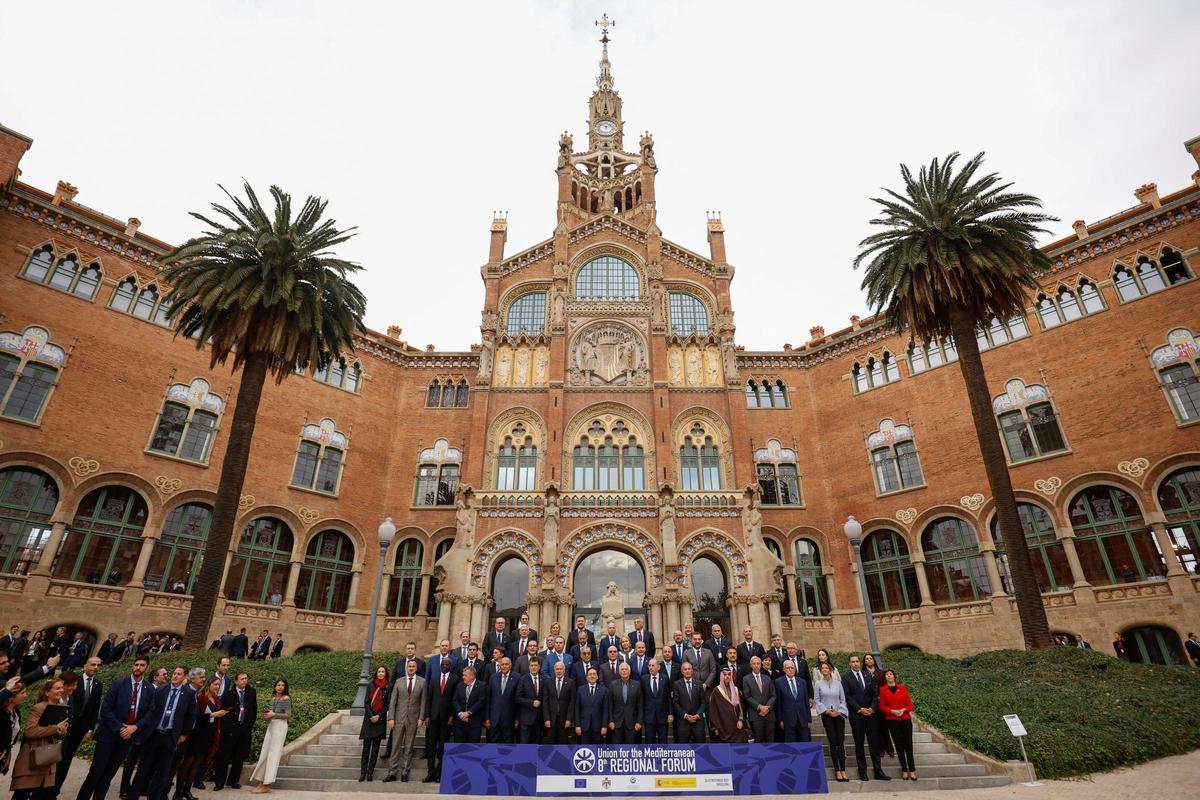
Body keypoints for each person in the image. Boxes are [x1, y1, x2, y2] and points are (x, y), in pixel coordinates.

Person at [76, 656, 155, 800]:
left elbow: (150, 712)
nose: (138, 667)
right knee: (96, 772)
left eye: (142, 665)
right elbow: (106, 709)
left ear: (147, 667)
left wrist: (134, 727)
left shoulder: (149, 689)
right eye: (136, 664)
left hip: (127, 738)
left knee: (109, 774)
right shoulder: (119, 684)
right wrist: (120, 728)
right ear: (132, 666)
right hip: (108, 735)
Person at [133, 666, 196, 800]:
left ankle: (154, 796)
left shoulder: (189, 694)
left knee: (163, 771)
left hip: (171, 735)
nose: (175, 676)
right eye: (174, 673)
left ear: (185, 677)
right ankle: (133, 795)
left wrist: (184, 734)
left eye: (179, 674)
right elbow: (150, 711)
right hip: (154, 734)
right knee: (144, 767)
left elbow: (191, 716)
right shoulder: (161, 690)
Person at [11, 677, 70, 800]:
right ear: (47, 692)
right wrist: (55, 728)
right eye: (57, 688)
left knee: (43, 794)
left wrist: (61, 732)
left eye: (61, 687)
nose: (61, 690)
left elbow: (56, 732)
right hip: (33, 757)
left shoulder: (61, 707)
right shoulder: (39, 707)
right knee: (23, 794)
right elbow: (29, 731)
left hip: (48, 758)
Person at [173, 677, 226, 800]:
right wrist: (214, 714)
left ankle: (187, 790)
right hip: (197, 735)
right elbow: (197, 716)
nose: (217, 687)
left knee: (197, 764)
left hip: (209, 735)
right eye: (215, 684)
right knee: (187, 763)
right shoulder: (201, 697)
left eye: (219, 685)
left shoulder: (217, 700)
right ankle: (178, 792)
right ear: (209, 685)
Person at [57, 657, 103, 794]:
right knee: (56, 757)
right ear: (85, 666)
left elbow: (95, 710)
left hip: (80, 730)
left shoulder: (98, 685)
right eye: (93, 664)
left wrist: (89, 730)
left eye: (98, 665)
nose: (95, 667)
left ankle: (56, 790)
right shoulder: (74, 681)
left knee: (67, 759)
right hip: (65, 726)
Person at [843, 654, 889, 781]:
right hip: (856, 715)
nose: (856, 663)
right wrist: (860, 709)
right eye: (853, 662)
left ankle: (878, 770)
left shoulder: (867, 675)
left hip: (870, 715)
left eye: (857, 661)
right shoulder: (846, 677)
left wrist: (872, 708)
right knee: (859, 744)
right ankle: (862, 771)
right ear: (849, 664)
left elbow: (875, 694)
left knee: (874, 743)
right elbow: (847, 696)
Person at [211, 671, 256, 790]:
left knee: (239, 757)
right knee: (224, 756)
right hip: (230, 730)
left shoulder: (251, 692)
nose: (244, 681)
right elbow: (223, 713)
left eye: (246, 678)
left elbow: (254, 709)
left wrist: (249, 724)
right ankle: (219, 782)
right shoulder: (228, 695)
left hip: (244, 729)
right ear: (236, 681)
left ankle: (233, 780)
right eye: (241, 679)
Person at [382, 661, 423, 783]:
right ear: (407, 668)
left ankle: (405, 771)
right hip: (399, 718)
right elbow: (393, 701)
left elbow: (423, 701)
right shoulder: (399, 681)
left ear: (416, 668)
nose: (411, 668)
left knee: (409, 746)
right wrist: (391, 718)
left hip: (413, 719)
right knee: (395, 746)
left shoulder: (422, 682)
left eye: (413, 666)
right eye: (409, 666)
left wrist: (421, 717)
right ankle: (392, 772)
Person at [249, 679, 290, 793]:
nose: (280, 687)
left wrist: (274, 714)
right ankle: (262, 782)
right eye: (278, 685)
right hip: (272, 726)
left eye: (282, 685)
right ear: (275, 686)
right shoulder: (273, 698)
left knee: (273, 754)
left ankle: (267, 784)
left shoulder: (286, 698)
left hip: (280, 727)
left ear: (285, 687)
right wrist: (268, 716)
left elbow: (288, 715)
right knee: (265, 753)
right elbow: (271, 714)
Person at [422, 658, 459, 783]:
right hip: (433, 717)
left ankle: (440, 773)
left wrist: (452, 716)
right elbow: (429, 699)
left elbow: (455, 700)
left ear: (451, 666)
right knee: (431, 746)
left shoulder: (455, 679)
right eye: (442, 664)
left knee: (442, 747)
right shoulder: (434, 679)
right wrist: (427, 716)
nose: (444, 666)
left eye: (447, 664)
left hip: (446, 719)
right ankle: (430, 772)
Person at [877, 669, 917, 781]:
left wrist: (904, 709)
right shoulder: (882, 690)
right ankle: (904, 770)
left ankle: (912, 770)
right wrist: (892, 711)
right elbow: (881, 707)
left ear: (894, 676)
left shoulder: (902, 688)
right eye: (887, 675)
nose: (889, 676)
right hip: (892, 720)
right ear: (885, 678)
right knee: (899, 746)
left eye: (891, 674)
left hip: (905, 719)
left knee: (908, 746)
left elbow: (911, 706)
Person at [814, 662, 848, 783]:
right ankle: (837, 770)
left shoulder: (838, 684)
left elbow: (843, 699)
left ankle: (843, 769)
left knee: (840, 742)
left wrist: (839, 711)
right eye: (822, 668)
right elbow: (817, 701)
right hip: (827, 716)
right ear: (820, 671)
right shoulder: (818, 684)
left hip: (839, 715)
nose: (824, 670)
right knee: (833, 742)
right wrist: (826, 711)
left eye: (826, 668)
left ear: (830, 669)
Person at [358, 667, 388, 781]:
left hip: (380, 720)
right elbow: (366, 702)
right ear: (376, 673)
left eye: (383, 672)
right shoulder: (370, 685)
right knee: (366, 748)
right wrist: (371, 716)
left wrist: (378, 716)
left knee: (375, 749)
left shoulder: (387, 687)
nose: (381, 673)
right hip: (369, 720)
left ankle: (370, 773)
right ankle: (363, 773)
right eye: (379, 672)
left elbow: (387, 705)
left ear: (385, 674)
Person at [861, 653, 894, 757]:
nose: (869, 660)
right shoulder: (863, 673)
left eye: (870, 658)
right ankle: (880, 749)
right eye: (867, 659)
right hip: (870, 704)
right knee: (875, 728)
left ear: (874, 660)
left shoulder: (881, 673)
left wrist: (881, 697)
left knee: (884, 727)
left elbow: (885, 686)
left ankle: (890, 748)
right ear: (864, 661)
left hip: (881, 703)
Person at [707, 668, 747, 743]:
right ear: (721, 676)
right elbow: (713, 711)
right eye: (725, 674)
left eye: (729, 674)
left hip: (736, 725)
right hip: (722, 726)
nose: (727, 676)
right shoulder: (717, 691)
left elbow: (741, 708)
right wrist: (715, 728)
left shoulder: (735, 689)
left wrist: (740, 720)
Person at [775, 659, 810, 742]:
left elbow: (806, 702)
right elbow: (778, 703)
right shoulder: (779, 682)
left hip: (802, 718)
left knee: (804, 741)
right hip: (788, 719)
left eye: (792, 668)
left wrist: (808, 719)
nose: (790, 670)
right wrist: (780, 720)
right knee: (791, 743)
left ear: (795, 669)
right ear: (784, 669)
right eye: (788, 668)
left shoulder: (802, 682)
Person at [742, 656, 775, 743]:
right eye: (754, 664)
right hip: (756, 715)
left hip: (769, 715)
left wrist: (767, 708)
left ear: (761, 665)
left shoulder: (767, 678)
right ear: (751, 665)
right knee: (758, 741)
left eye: (758, 664)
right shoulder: (746, 679)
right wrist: (760, 707)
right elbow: (747, 696)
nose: (756, 666)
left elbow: (773, 695)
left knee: (770, 741)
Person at [608, 662, 642, 745]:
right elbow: (610, 705)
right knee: (617, 747)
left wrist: (639, 722)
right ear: (619, 672)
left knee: (630, 747)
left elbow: (640, 705)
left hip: (632, 723)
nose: (624, 671)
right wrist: (611, 721)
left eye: (626, 669)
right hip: (616, 723)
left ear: (629, 671)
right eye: (622, 669)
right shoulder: (613, 685)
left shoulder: (637, 685)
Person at [671, 661, 706, 744]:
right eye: (685, 669)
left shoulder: (699, 683)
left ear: (692, 671)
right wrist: (685, 716)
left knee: (700, 748)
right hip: (683, 723)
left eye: (689, 669)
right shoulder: (677, 684)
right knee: (683, 748)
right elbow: (675, 703)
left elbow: (703, 702)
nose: (687, 671)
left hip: (697, 722)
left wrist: (697, 715)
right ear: (682, 671)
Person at [639, 658, 671, 745]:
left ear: (658, 667)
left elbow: (668, 698)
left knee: (663, 741)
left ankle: (663, 758)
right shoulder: (644, 679)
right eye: (649, 665)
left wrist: (670, 713)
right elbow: (641, 699)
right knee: (649, 742)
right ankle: (650, 758)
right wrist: (641, 717)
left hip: (663, 716)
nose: (650, 668)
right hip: (649, 716)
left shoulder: (665, 679)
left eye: (653, 665)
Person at [514, 656, 545, 743]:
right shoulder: (523, 679)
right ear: (529, 667)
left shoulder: (544, 680)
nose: (534, 667)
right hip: (526, 719)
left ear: (539, 667)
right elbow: (518, 698)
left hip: (539, 719)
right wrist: (531, 703)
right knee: (525, 744)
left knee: (536, 744)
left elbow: (545, 698)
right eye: (532, 665)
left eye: (536, 665)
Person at [485, 658, 518, 743]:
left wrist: (517, 718)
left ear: (510, 665)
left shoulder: (517, 677)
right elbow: (489, 698)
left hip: (509, 719)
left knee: (507, 745)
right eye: (502, 664)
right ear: (500, 666)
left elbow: (517, 700)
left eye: (506, 664)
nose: (504, 666)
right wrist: (487, 717)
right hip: (494, 718)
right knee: (493, 744)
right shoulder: (493, 677)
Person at [1, 679, 29, 777]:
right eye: (22, 693)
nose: (26, 696)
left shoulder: (16, 712)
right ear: (11, 697)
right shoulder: (2, 714)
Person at [573, 667, 607, 745]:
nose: (592, 676)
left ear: (597, 677)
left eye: (594, 674)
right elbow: (577, 709)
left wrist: (604, 726)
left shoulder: (603, 690)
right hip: (583, 727)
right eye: (590, 674)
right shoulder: (580, 690)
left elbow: (605, 710)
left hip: (598, 727)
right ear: (587, 677)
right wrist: (577, 725)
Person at [543, 661, 574, 744]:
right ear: (554, 670)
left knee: (563, 742)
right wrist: (546, 719)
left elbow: (572, 702)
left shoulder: (570, 683)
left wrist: (569, 719)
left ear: (564, 670)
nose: (559, 671)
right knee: (551, 743)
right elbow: (545, 702)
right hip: (551, 719)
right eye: (557, 669)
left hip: (564, 719)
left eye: (561, 669)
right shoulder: (548, 682)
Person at [452, 666, 485, 744]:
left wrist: (468, 713)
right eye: (463, 675)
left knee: (473, 747)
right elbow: (455, 700)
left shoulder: (481, 686)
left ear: (472, 676)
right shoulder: (459, 685)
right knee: (459, 746)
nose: (463, 677)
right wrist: (460, 713)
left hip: (474, 723)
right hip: (460, 723)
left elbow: (481, 701)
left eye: (465, 675)